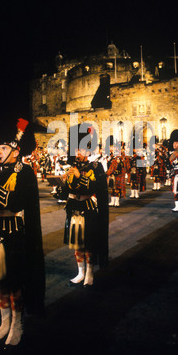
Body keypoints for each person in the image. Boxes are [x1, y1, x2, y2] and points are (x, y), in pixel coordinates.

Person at [0, 117, 45, 349]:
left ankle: (17, 326)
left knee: (14, 284)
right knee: (0, 283)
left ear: (15, 151)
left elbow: (15, 204)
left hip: (13, 234)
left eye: (3, 147)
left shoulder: (24, 172)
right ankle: (4, 324)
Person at [54, 123, 109, 287]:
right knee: (76, 243)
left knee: (89, 243)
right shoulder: (72, 167)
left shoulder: (96, 166)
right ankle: (80, 272)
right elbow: (64, 193)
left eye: (82, 149)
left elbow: (95, 188)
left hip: (88, 208)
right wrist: (61, 184)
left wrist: (78, 176)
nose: (79, 153)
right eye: (77, 149)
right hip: (73, 208)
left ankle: (90, 272)